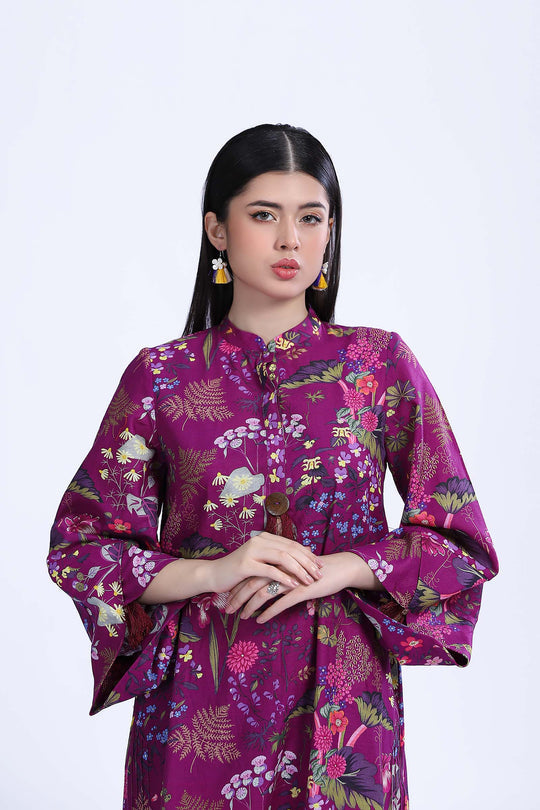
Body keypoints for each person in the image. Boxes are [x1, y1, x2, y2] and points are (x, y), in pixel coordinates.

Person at [47, 123, 498, 810]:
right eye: (264, 215)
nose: (291, 240)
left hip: (343, 711)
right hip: (197, 708)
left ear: (330, 232)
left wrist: (344, 567)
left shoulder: (378, 366)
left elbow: (459, 541)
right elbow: (83, 547)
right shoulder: (162, 377)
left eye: (310, 218)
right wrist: (212, 571)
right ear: (217, 230)